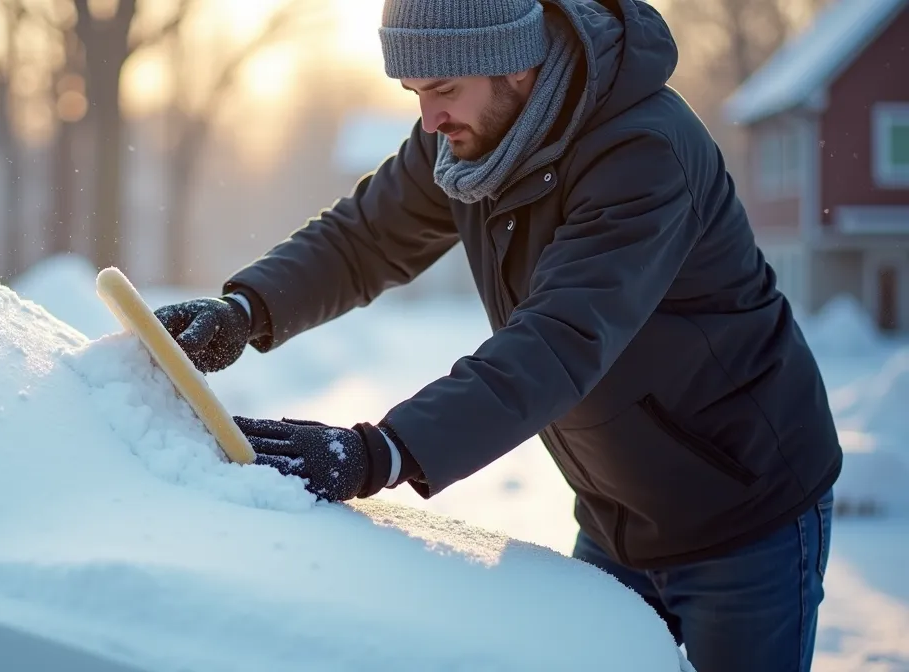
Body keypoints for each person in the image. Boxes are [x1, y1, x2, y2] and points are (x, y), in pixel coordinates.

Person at [152, 0, 842, 669]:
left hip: (747, 513)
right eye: (415, 91)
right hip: (616, 515)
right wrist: (247, 310)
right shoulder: (465, 143)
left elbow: (560, 338)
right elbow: (363, 239)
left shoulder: (644, 152)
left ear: (515, 65)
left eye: (443, 89)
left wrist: (384, 452)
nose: (428, 118)